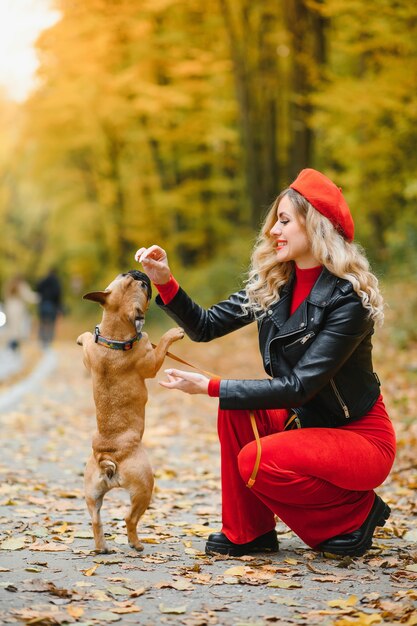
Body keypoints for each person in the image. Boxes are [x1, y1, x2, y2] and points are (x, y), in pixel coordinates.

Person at [135, 168, 396, 558]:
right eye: (276, 219)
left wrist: (209, 386)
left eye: (285, 220)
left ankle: (355, 514)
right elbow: (205, 326)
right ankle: (248, 532)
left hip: (359, 437)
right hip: (306, 422)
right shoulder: (275, 284)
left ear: (317, 228)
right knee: (236, 411)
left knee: (255, 458)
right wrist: (165, 281)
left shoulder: (348, 300)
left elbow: (300, 387)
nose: (274, 228)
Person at [2, 275, 39, 352]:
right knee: (16, 327)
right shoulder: (21, 286)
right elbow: (28, 296)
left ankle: (11, 344)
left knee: (12, 326)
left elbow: (6, 296)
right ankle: (13, 345)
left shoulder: (9, 285)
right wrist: (39, 298)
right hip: (17, 308)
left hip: (9, 307)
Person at [36, 268, 63, 348]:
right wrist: (59, 307)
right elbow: (58, 295)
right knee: (51, 324)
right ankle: (48, 341)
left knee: (43, 323)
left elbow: (38, 288)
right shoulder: (56, 282)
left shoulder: (43, 280)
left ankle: (42, 340)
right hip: (52, 305)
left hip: (43, 304)